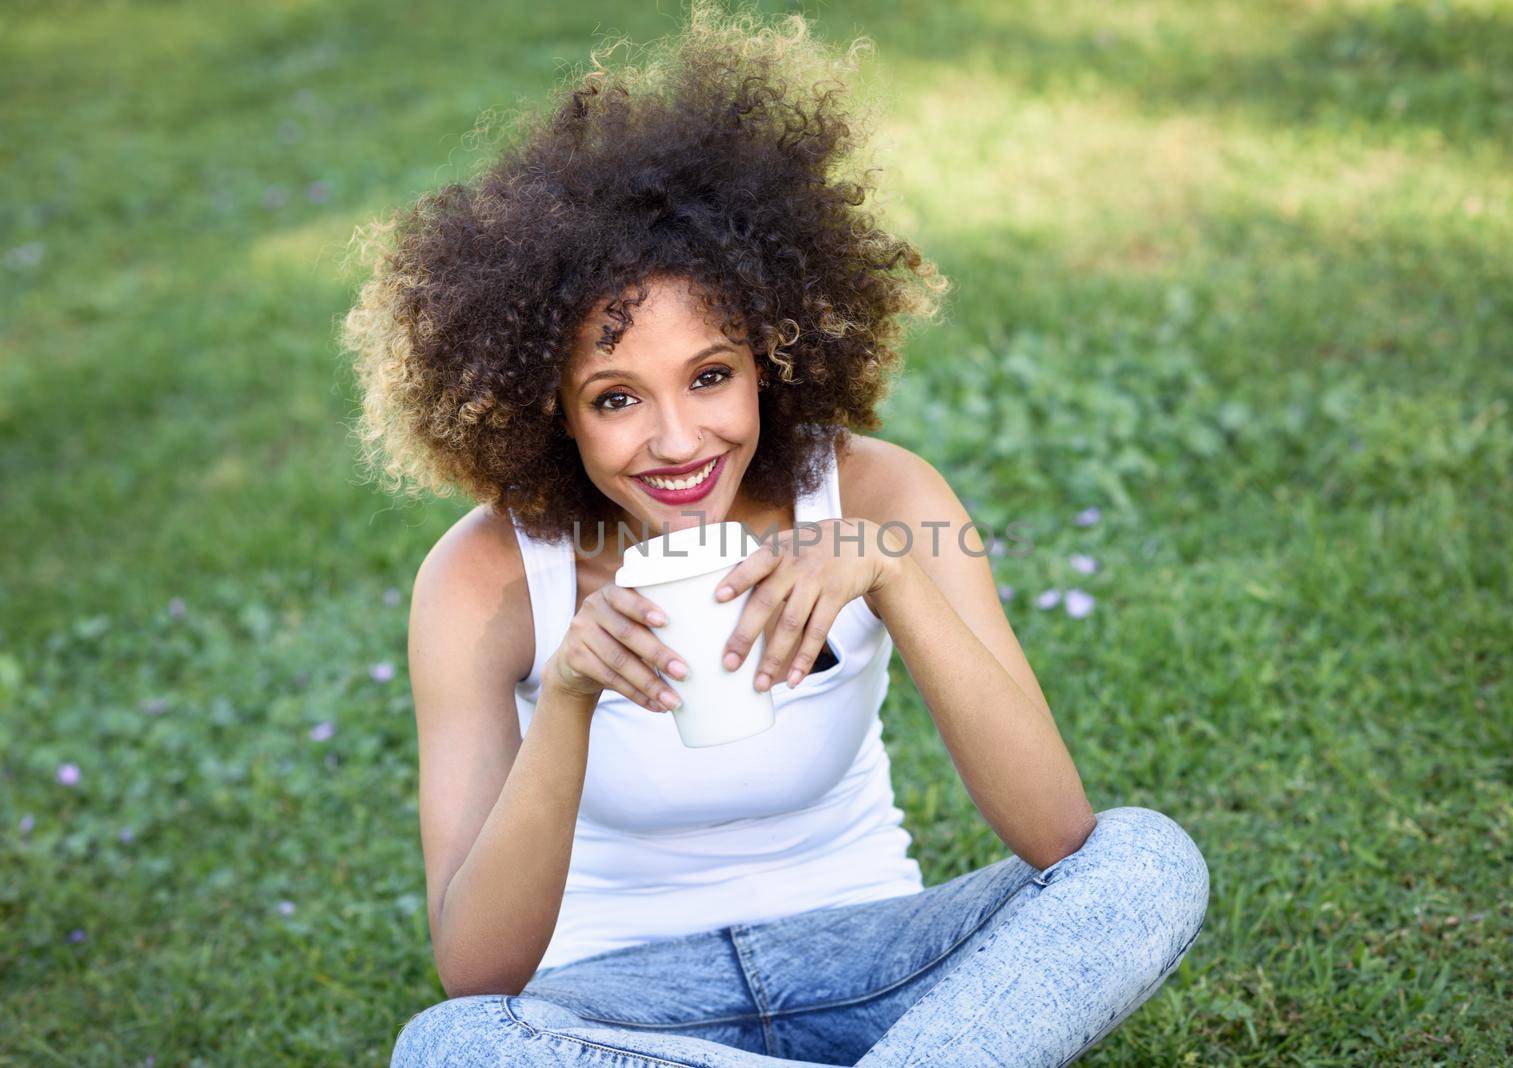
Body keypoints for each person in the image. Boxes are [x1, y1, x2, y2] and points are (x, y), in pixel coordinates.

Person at [340, 4, 1209, 1064]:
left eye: (710, 376)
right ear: (546, 409)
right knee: (452, 1045)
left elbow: (1055, 835)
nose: (675, 440)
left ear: (771, 360)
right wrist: (566, 694)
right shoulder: (484, 577)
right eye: (615, 398)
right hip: (623, 1009)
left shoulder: (879, 493)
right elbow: (479, 971)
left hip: (885, 965)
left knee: (1143, 858)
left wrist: (892, 577)